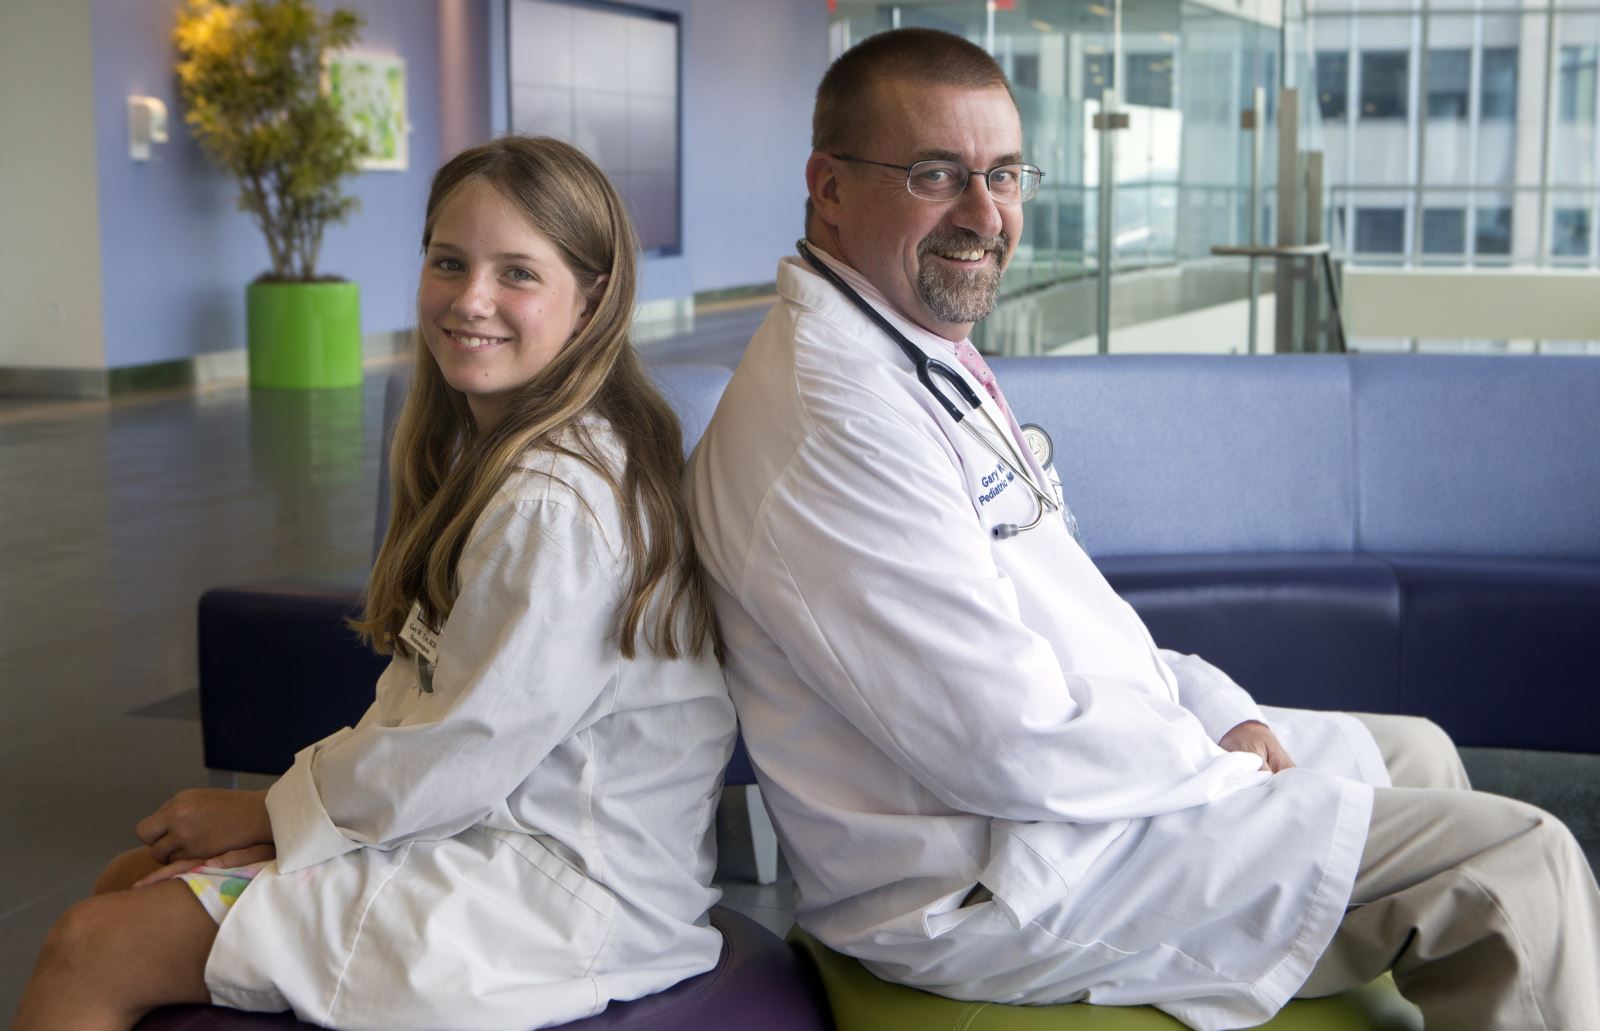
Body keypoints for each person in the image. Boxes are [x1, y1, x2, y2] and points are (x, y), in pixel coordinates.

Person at [685, 27, 1600, 1031]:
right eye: (935, 173)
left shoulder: (910, 351)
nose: (985, 213)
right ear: (828, 186)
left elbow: (1073, 612)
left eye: (1003, 174)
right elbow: (1005, 740)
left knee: (1413, 751)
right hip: (994, 878)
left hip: (1062, 806)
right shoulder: (833, 421)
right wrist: (1218, 764)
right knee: (1520, 861)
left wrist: (1211, 712)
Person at [15, 136, 736, 1031]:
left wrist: (266, 811)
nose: (471, 299)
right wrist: (288, 821)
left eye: (518, 273)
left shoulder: (557, 502)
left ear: (591, 301)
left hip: (548, 891)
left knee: (91, 946)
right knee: (128, 883)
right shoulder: (503, 455)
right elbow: (435, 728)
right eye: (449, 261)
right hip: (477, 831)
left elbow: (457, 753)